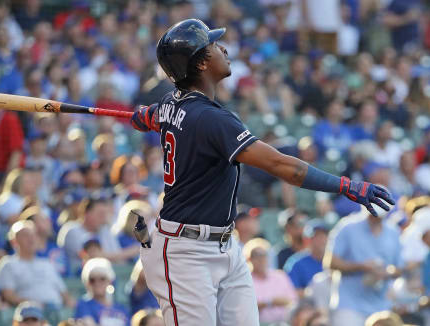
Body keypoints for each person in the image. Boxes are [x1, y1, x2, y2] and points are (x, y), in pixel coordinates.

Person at [130, 18, 394, 326]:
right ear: (201, 63)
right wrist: (345, 185)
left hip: (225, 244)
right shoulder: (211, 118)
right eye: (214, 45)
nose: (223, 48)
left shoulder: (170, 103)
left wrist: (149, 116)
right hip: (184, 251)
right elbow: (286, 167)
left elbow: (160, 114)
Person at [324, 206, 403, 326]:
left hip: (381, 304)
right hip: (350, 304)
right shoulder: (347, 227)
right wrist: (361, 266)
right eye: (372, 215)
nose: (376, 219)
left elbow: (399, 269)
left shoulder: (393, 231)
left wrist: (386, 273)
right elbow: (330, 262)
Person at [0, 220, 74, 307]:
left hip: (56, 310)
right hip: (30, 316)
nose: (31, 239)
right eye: (25, 235)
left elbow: (64, 294)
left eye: (33, 235)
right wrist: (33, 305)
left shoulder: (47, 264)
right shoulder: (8, 264)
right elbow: (8, 295)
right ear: (14, 241)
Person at [244, 237, 297, 324]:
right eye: (255, 255)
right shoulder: (246, 280)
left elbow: (293, 302)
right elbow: (246, 308)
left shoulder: (280, 276)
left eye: (263, 254)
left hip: (284, 322)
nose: (260, 259)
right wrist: (270, 302)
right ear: (248, 259)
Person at [74, 257, 130, 326]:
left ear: (110, 281)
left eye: (102, 279)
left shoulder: (121, 309)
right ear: (87, 283)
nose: (97, 283)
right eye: (92, 280)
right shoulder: (83, 305)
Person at [284, 219, 329, 298]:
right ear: (307, 240)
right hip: (308, 305)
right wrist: (313, 292)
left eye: (323, 236)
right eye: (316, 237)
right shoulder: (295, 262)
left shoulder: (335, 260)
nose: (321, 240)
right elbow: (290, 292)